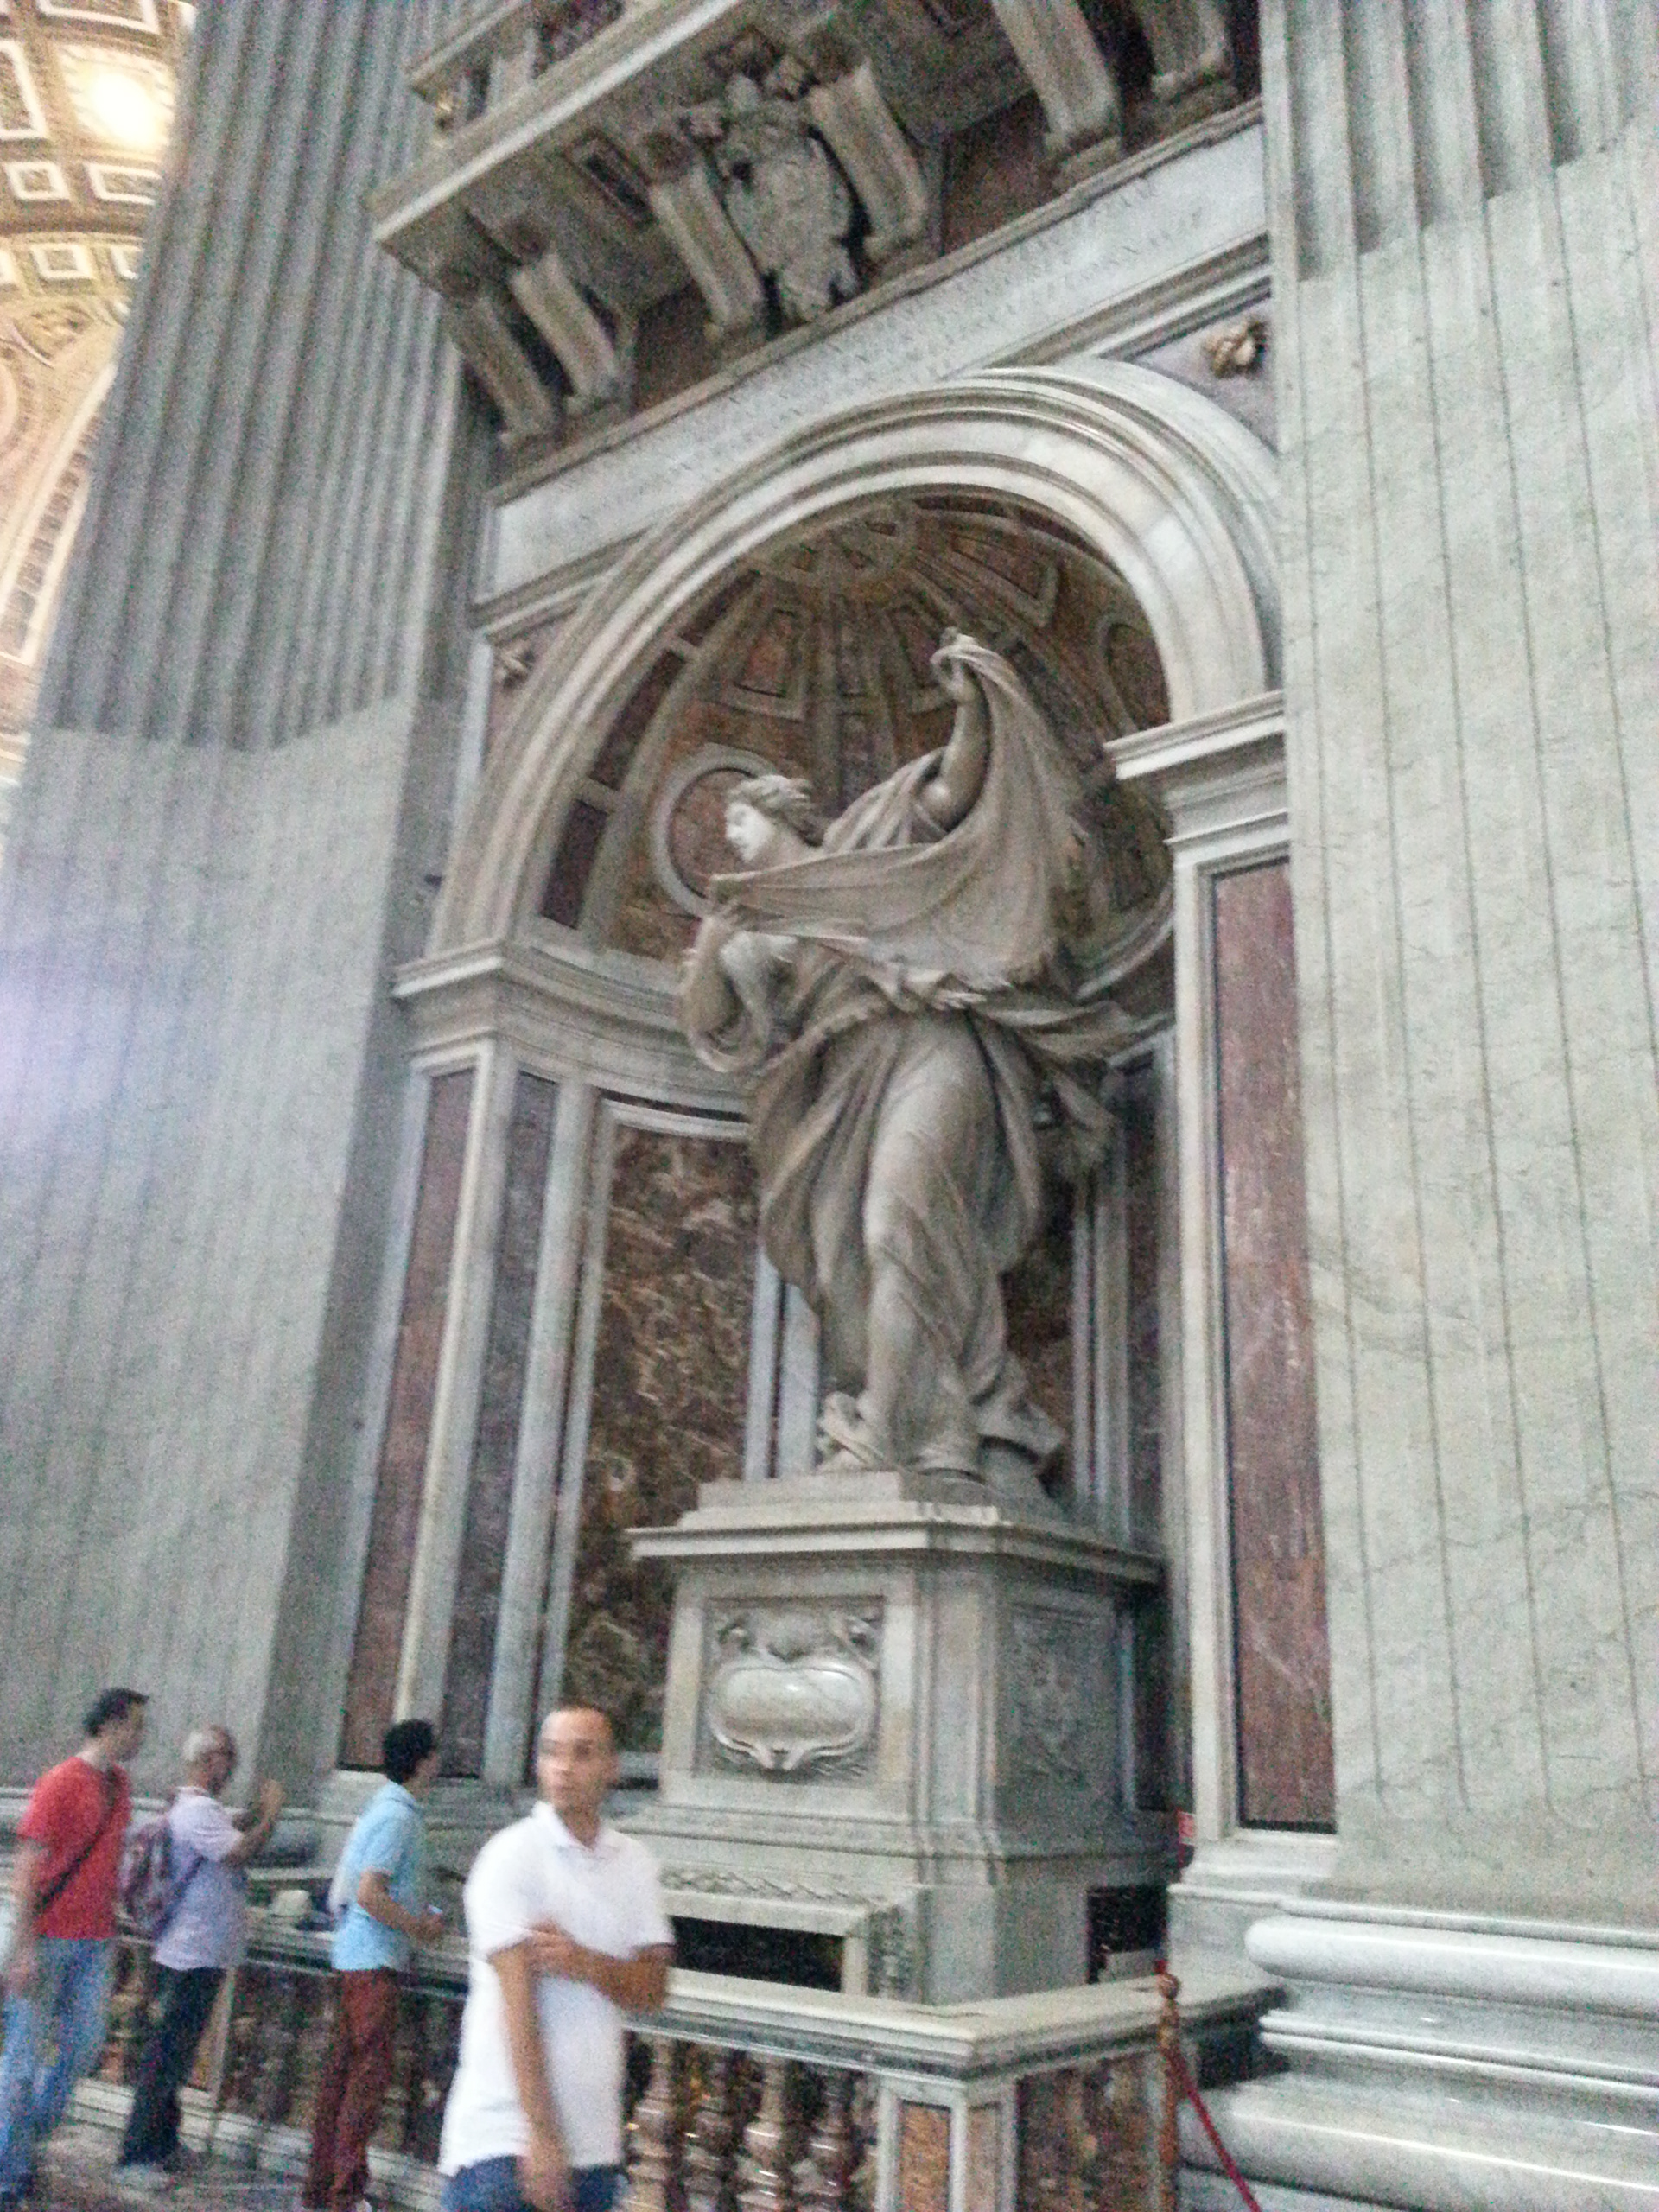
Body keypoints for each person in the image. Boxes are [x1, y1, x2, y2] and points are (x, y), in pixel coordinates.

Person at [681, 628, 1136, 1484]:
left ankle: (885, 1436)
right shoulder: (752, 921)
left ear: (779, 812)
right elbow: (713, 1023)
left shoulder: (868, 841)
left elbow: (956, 792)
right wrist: (712, 945)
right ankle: (945, 1429)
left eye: (738, 817)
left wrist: (973, 706)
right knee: (855, 1265)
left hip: (932, 1050)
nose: (729, 834)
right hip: (839, 1088)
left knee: (899, 1223)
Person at [437, 1707, 672, 2212]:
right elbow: (517, 2009)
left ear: (612, 1767)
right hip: (504, 2140)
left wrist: (586, 1963)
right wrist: (541, 2135)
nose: (564, 1767)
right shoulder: (511, 1856)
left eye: (582, 1754)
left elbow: (654, 1989)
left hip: (595, 2144)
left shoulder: (635, 1865)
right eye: (551, 1753)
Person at [114, 1725, 284, 2191]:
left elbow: (234, 1825)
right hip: (190, 1953)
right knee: (165, 2058)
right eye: (229, 1756)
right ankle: (135, 2156)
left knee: (176, 2054)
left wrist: (257, 1813)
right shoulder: (198, 1811)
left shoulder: (195, 1807)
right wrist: (272, 1815)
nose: (234, 1766)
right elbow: (240, 1849)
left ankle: (163, 2142)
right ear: (210, 1760)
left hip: (195, 1952)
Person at [0, 1687, 149, 2206]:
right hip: (47, 1939)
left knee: (84, 2049)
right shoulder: (59, 1782)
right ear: (109, 1724)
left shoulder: (120, 1786)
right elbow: (27, 1869)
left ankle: (20, 2137)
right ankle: (7, 2175)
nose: (142, 1736)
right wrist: (23, 1948)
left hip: (96, 1941)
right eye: (136, 1725)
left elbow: (111, 1861)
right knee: (21, 2060)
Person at [304, 1719, 444, 2212]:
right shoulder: (398, 1817)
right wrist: (418, 1927)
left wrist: (417, 1912)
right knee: (363, 2085)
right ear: (422, 1761)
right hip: (373, 1964)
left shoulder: (384, 1808)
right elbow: (369, 1892)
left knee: (341, 2081)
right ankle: (344, 2194)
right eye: (435, 1754)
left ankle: (321, 2189)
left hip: (358, 1958)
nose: (439, 1763)